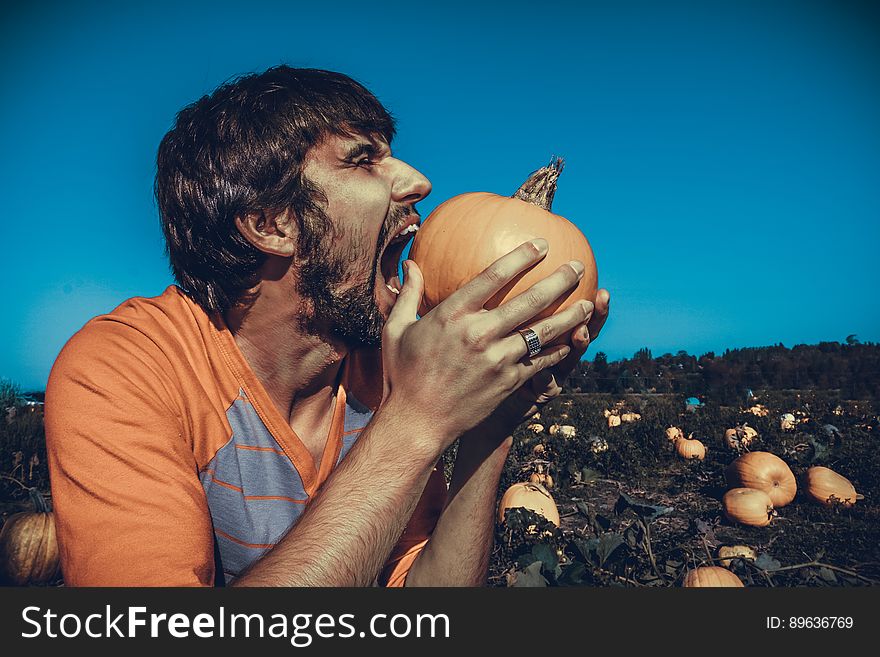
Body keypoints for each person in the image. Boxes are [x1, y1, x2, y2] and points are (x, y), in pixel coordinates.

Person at [44, 65, 610, 586]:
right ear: (271, 223)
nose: (419, 182)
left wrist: (494, 422)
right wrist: (414, 421)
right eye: (363, 159)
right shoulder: (124, 369)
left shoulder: (381, 370)